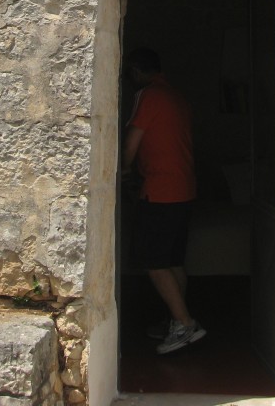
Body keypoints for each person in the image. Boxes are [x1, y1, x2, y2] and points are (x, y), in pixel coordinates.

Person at [122, 47, 206, 355]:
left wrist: (124, 169)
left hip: (158, 190)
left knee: (153, 262)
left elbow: (133, 139)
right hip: (184, 189)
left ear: (136, 72)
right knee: (173, 261)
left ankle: (184, 323)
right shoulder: (177, 98)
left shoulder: (148, 96)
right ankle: (175, 319)